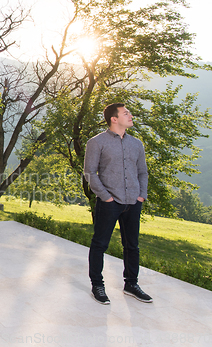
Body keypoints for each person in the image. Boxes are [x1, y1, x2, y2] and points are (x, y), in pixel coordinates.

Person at [83, 103, 152, 305]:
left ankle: (131, 284)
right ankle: (97, 285)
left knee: (132, 245)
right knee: (100, 244)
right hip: (109, 202)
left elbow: (142, 172)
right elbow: (90, 173)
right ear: (114, 119)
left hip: (133, 201)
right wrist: (106, 197)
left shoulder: (137, 144)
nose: (130, 115)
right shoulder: (96, 142)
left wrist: (142, 195)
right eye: (126, 113)